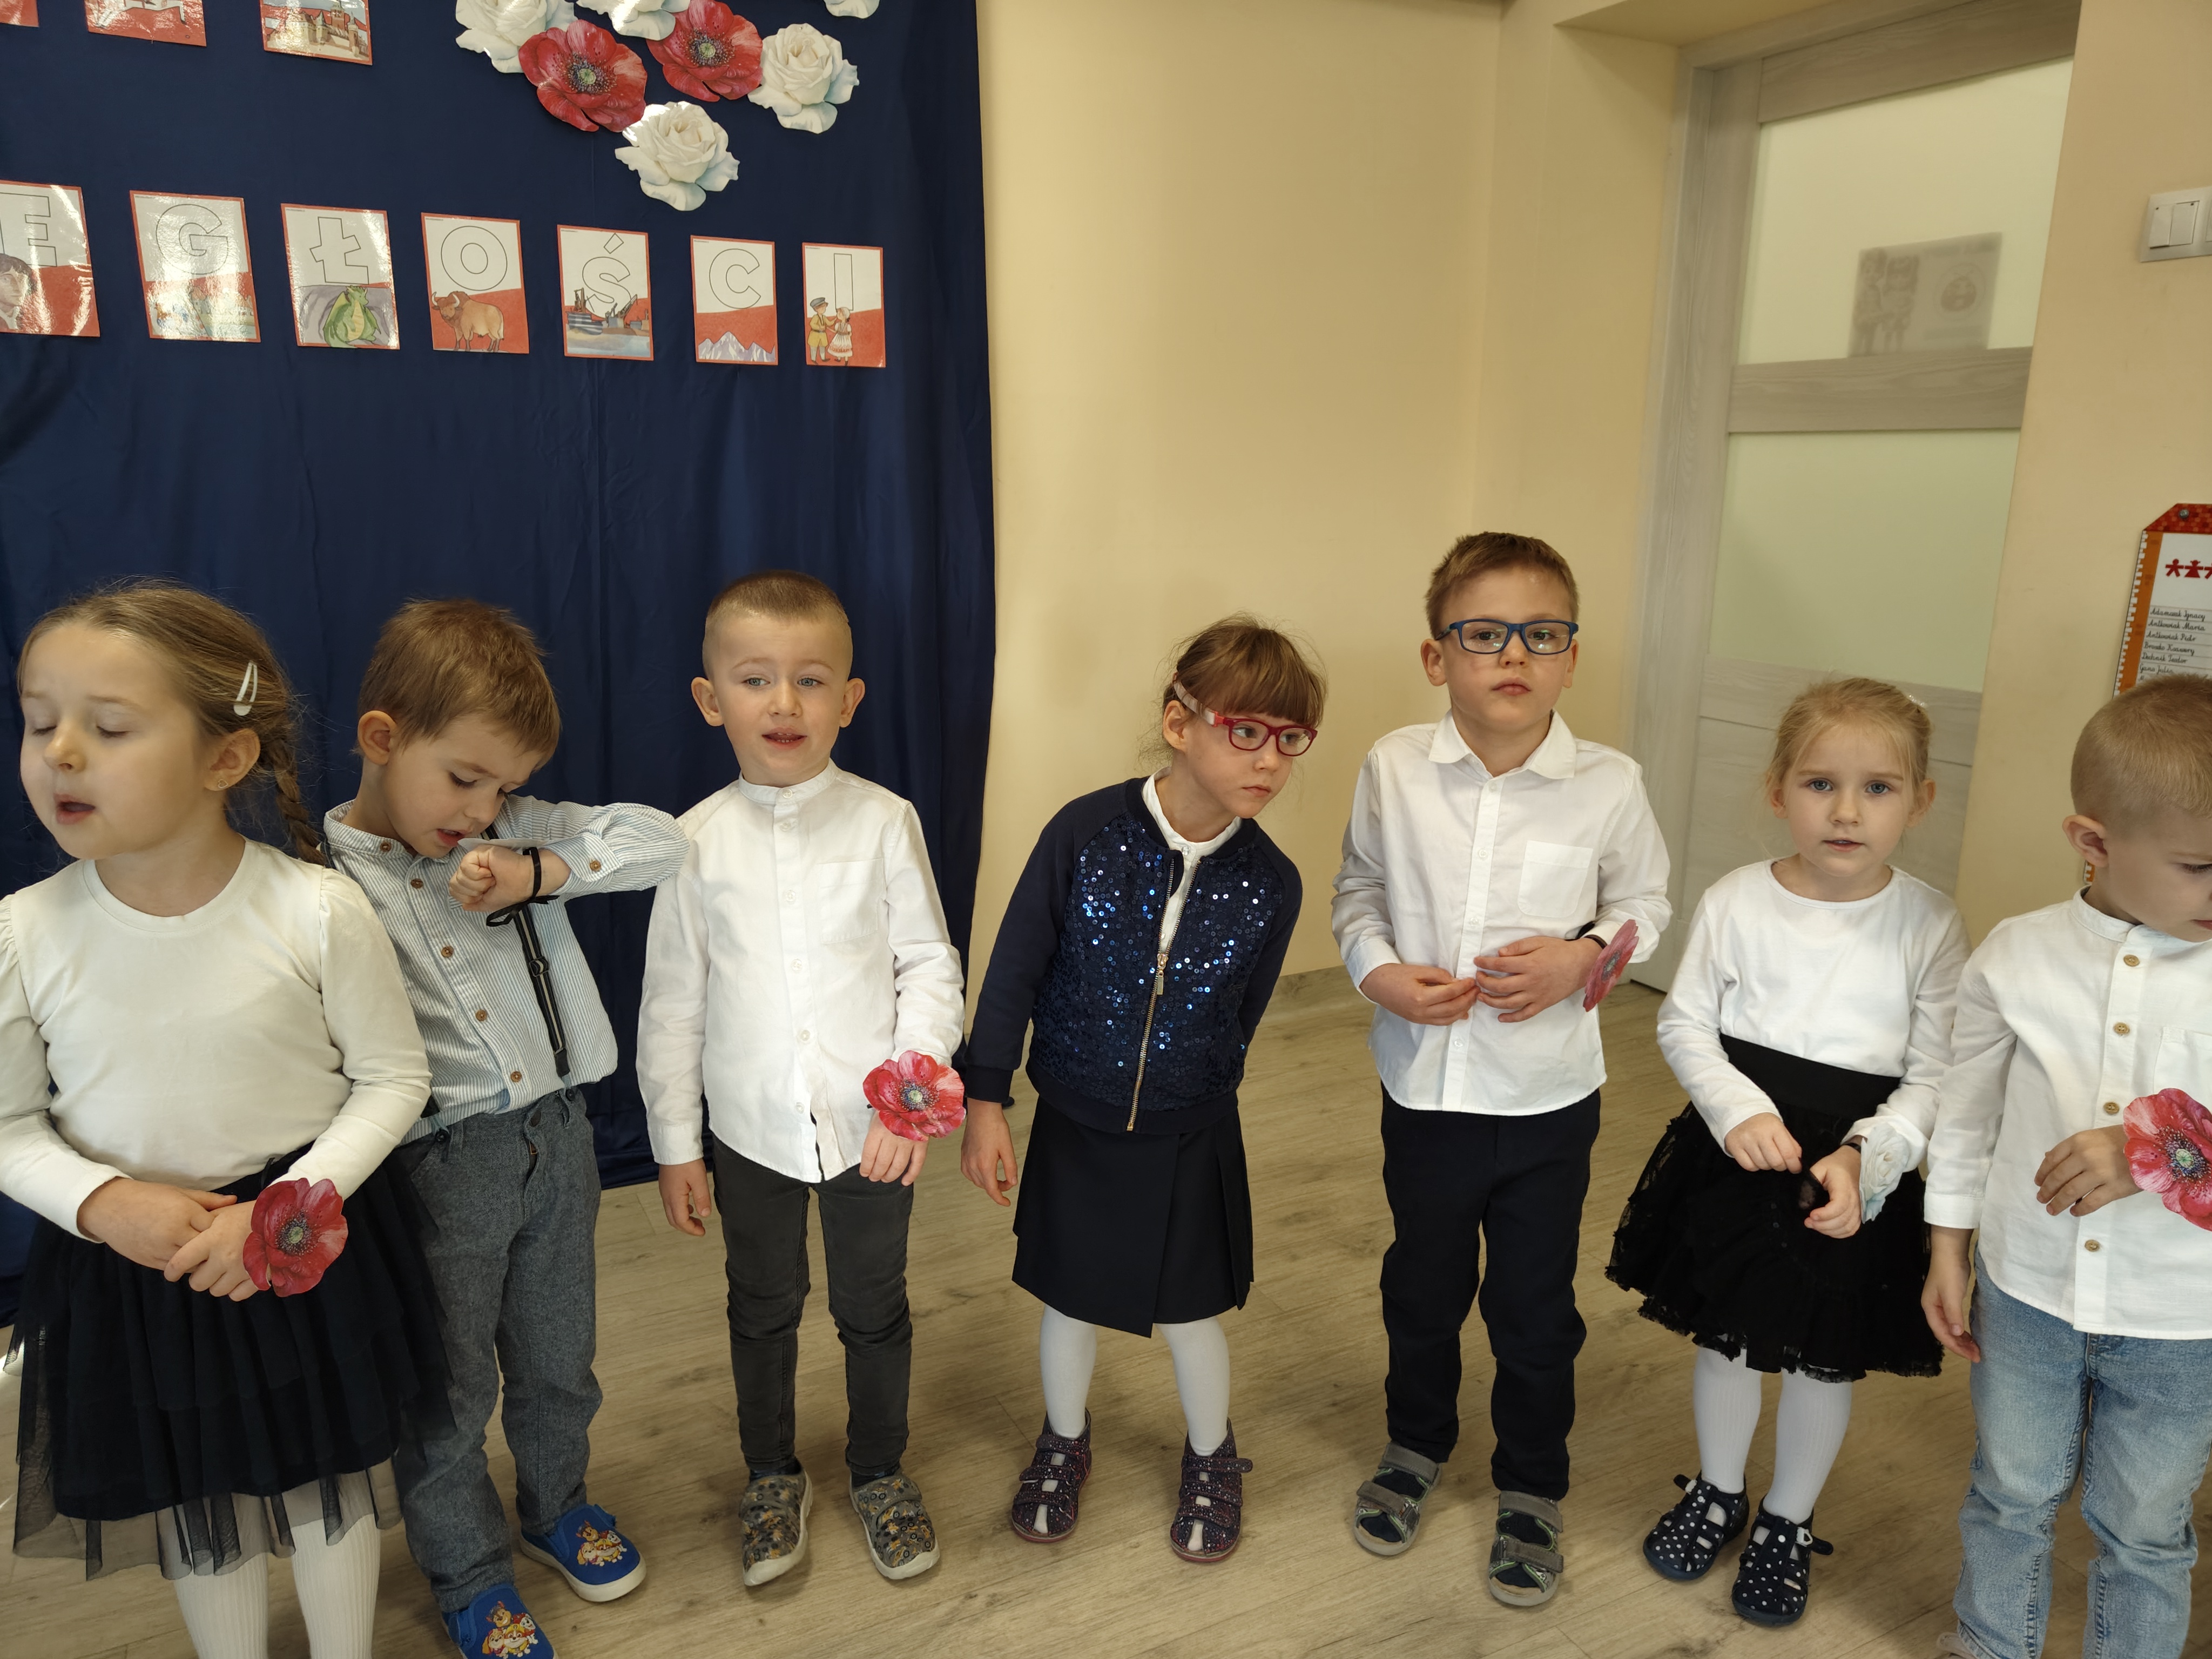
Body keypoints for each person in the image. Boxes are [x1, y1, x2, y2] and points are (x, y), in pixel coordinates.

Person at [0, 582, 444, 1659]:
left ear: (225, 757)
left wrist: (283, 1212)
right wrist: (106, 1206)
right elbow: (9, 1128)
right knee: (196, 1496)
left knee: (330, 1478)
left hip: (302, 1247)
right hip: (141, 1273)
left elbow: (394, 1080)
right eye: (38, 721)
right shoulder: (24, 933)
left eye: (108, 727)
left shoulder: (316, 909)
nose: (61, 753)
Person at [325, 599, 685, 1659]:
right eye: (464, 779)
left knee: (559, 1356)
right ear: (383, 738)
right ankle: (469, 1572)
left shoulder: (514, 832)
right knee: (448, 1391)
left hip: (562, 1141)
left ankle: (557, 1504)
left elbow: (665, 842)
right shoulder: (323, 882)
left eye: (505, 788)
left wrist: (540, 869)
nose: (482, 810)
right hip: (437, 1168)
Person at [1333, 532, 1670, 1607]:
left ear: (1572, 657)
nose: (1512, 654)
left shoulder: (1610, 784)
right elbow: (1358, 891)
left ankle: (1532, 1483)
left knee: (1534, 1306)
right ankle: (1416, 1443)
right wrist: (1379, 973)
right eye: (1483, 634)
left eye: (1540, 634)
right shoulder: (1393, 767)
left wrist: (1585, 956)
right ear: (1437, 657)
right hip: (1423, 1089)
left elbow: (1645, 906)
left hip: (1545, 1100)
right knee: (1422, 1287)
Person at [959, 618, 1322, 1564]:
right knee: (1069, 1300)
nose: (1270, 759)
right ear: (1179, 722)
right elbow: (1013, 972)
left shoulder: (1273, 884)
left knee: (1192, 1312)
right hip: (1076, 1117)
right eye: (1247, 731)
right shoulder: (1083, 834)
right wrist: (986, 1100)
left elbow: (1242, 1015)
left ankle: (1212, 1453)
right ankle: (1063, 1439)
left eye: (1291, 739)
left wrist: (1192, 1082)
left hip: (1189, 1129)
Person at [1607, 677, 1967, 1627]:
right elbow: (1686, 1023)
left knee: (1821, 1361)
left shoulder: (1932, 924)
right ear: (1778, 791)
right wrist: (1735, 1111)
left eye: (1878, 789)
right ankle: (1718, 1490)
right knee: (1728, 1343)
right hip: (1740, 1157)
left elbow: (1937, 1074)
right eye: (1820, 784)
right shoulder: (1736, 899)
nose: (1847, 812)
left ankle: (1787, 1520)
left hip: (1850, 1178)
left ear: (1920, 800)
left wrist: (1866, 1156)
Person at [638, 571, 965, 1589]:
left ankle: (879, 1469)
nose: (784, 703)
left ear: (849, 700)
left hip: (873, 1132)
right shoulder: (691, 843)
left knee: (875, 1308)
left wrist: (911, 1099)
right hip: (750, 1135)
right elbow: (673, 1005)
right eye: (756, 679)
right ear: (712, 700)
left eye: (811, 680)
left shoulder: (884, 822)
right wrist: (677, 1146)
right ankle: (772, 1474)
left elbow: (929, 966)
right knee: (760, 1306)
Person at [1924, 675, 2212, 1659]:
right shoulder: (2016, 957)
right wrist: (1948, 1247)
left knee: (2145, 1528)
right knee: (2010, 1493)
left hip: (2184, 1321)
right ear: (2094, 841)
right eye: (2200, 867)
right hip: (2030, 1295)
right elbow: (1965, 1118)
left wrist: (2153, 1151)